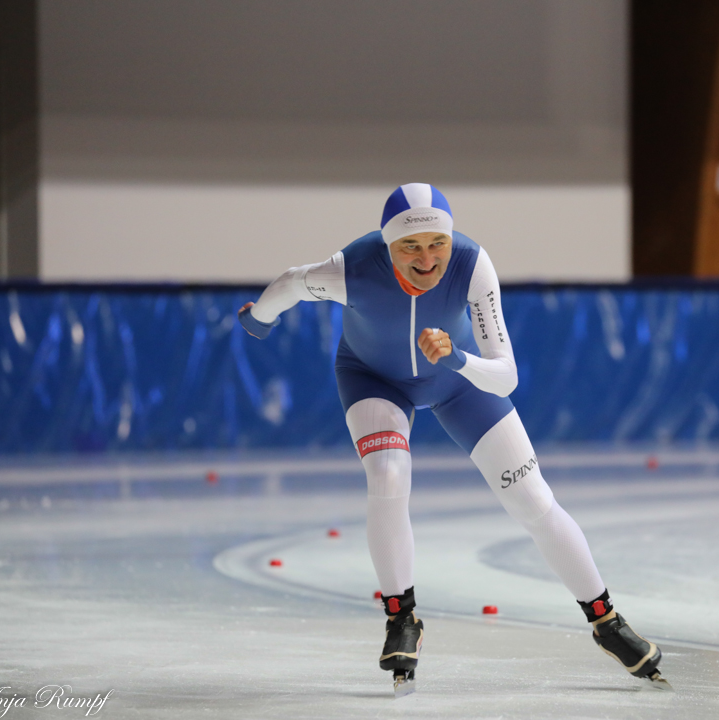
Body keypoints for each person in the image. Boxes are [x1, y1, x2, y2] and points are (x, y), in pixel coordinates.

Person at [238, 183, 664, 694]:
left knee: (532, 500)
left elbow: (506, 377)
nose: (426, 260)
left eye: (436, 243)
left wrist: (457, 359)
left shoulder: (471, 263)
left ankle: (607, 621)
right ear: (387, 246)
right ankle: (402, 618)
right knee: (388, 474)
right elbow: (292, 282)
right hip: (374, 380)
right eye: (410, 247)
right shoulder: (351, 269)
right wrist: (258, 319)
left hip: (459, 381)